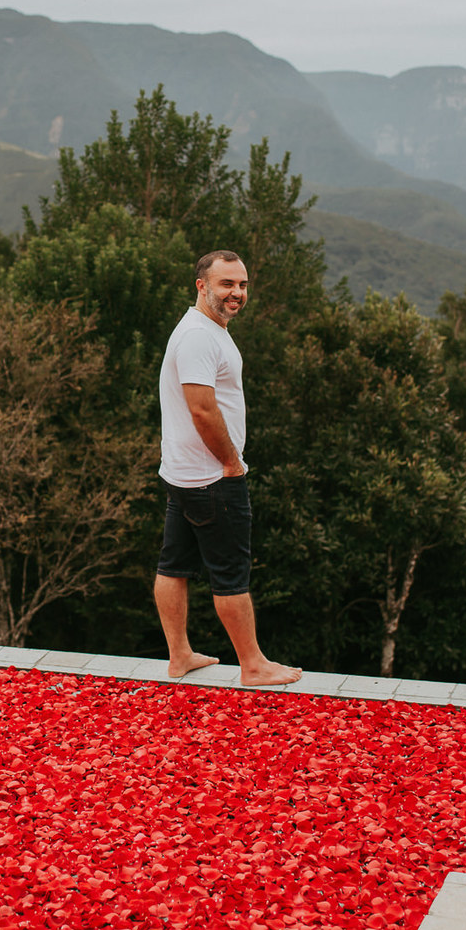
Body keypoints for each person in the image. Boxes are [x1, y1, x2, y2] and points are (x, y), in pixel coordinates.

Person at [154, 250, 302, 688]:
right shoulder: (200, 336)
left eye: (242, 285)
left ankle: (179, 656)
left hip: (182, 474)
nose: (236, 293)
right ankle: (253, 665)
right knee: (231, 573)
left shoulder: (204, 329)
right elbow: (202, 409)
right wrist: (230, 462)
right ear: (202, 285)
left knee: (174, 565)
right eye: (226, 284)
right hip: (210, 478)